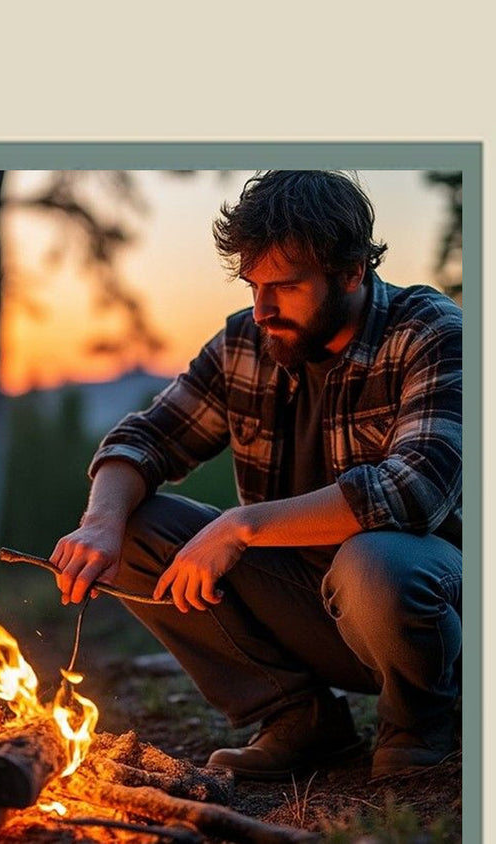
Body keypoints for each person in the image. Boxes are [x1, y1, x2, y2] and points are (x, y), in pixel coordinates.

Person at [49, 170, 462, 781]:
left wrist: (241, 526)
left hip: (431, 605)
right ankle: (301, 721)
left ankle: (424, 722)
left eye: (287, 286)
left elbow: (413, 489)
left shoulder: (431, 332)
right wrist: (101, 523)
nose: (262, 309)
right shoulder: (248, 341)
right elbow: (145, 439)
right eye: (253, 285)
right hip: (316, 609)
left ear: (352, 272)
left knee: (374, 562)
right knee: (139, 526)